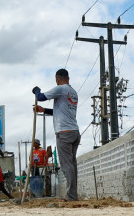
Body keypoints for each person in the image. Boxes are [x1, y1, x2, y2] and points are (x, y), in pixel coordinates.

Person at [33, 68, 80, 201]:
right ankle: (73, 195)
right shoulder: (73, 92)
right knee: (72, 164)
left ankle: (71, 196)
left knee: (67, 165)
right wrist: (43, 110)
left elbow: (40, 97)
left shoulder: (61, 89)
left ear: (57, 79)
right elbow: (59, 112)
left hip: (64, 133)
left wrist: (36, 90)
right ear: (68, 78)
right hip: (74, 132)